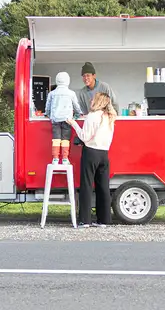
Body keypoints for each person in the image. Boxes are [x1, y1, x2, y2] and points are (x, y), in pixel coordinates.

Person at [67, 92, 116, 228]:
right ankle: (104, 220)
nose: (90, 101)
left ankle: (85, 220)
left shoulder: (92, 116)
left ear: (97, 101)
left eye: (93, 99)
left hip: (91, 152)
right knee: (103, 187)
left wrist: (73, 123)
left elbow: (84, 136)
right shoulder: (110, 117)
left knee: (87, 186)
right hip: (104, 154)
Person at [45, 72, 82, 165]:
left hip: (55, 120)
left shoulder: (52, 93)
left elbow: (47, 107)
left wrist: (49, 116)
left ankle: (55, 159)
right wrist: (77, 115)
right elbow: (77, 107)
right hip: (67, 120)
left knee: (56, 139)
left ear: (57, 81)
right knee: (65, 139)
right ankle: (65, 158)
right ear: (68, 81)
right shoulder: (71, 93)